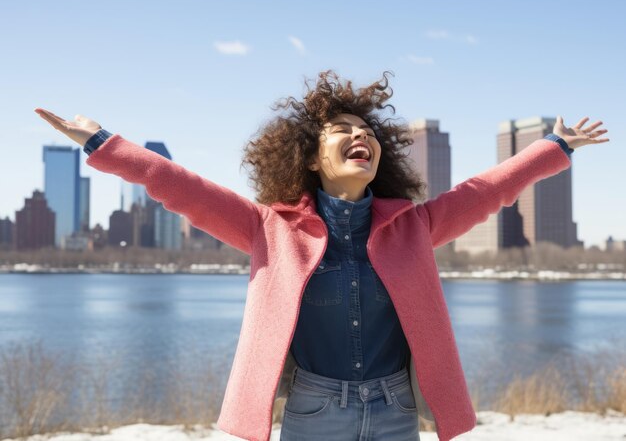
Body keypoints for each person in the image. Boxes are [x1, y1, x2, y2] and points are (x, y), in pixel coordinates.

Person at [35, 70, 609, 441]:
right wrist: (101, 143)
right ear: (310, 157)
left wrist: (553, 148)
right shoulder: (266, 228)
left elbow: (485, 192)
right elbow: (181, 187)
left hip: (395, 413)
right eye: (342, 129)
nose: (361, 136)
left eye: (368, 131)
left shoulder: (416, 226)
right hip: (313, 414)